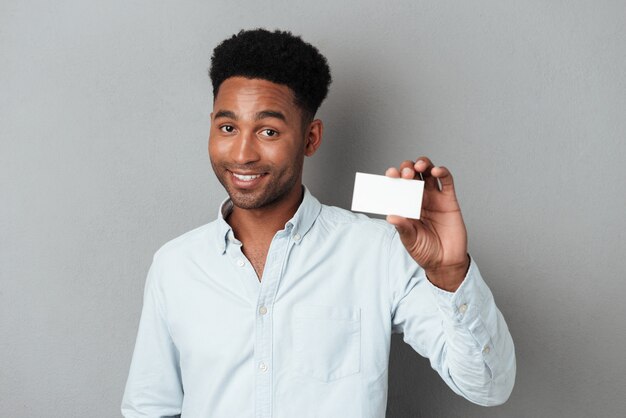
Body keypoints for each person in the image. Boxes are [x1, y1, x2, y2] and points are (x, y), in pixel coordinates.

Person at [121, 28, 515, 418]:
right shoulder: (175, 265)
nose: (242, 153)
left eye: (268, 131)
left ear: (311, 138)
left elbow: (488, 386)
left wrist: (450, 274)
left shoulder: (378, 253)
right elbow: (149, 409)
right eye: (228, 128)